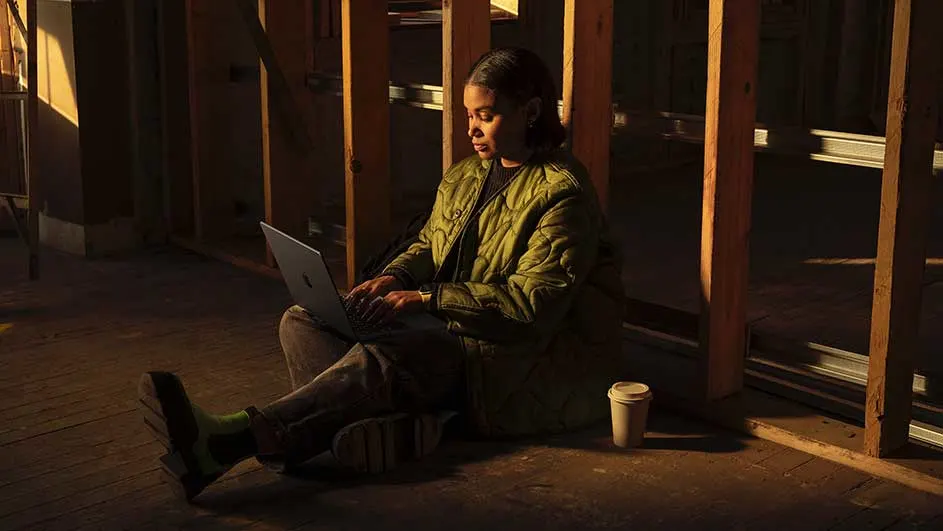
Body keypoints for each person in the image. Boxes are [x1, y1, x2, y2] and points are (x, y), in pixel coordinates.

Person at [138, 47, 625, 503]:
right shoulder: (466, 175)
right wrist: (394, 279)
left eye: (486, 115)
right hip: (447, 328)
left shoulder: (563, 194)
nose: (471, 129)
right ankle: (389, 427)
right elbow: (428, 245)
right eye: (468, 115)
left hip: (510, 359)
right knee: (302, 320)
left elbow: (530, 308)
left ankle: (230, 441)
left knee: (388, 355)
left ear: (532, 113)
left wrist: (426, 299)